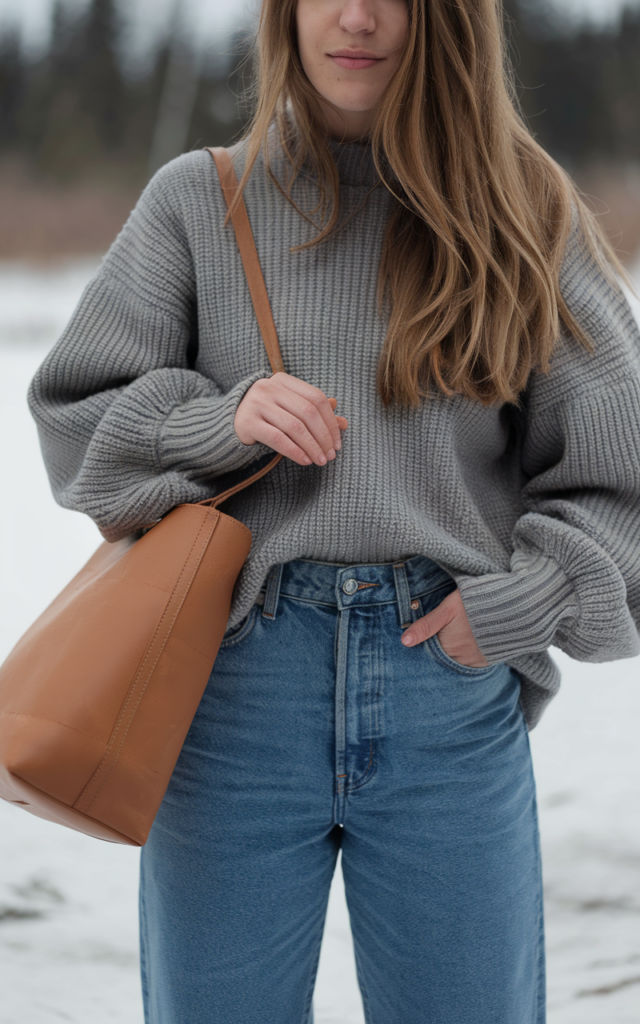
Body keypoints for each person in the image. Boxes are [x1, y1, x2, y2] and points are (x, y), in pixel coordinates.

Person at [28, 0, 640, 1020]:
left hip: (446, 690)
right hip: (231, 692)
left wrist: (521, 603)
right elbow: (75, 419)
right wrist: (220, 421)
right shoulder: (198, 200)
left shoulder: (526, 210)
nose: (356, 19)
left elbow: (619, 473)